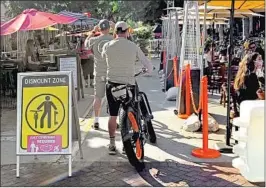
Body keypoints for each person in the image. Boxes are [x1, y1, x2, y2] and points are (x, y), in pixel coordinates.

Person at [102, 21, 153, 155]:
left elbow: (103, 57)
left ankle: (112, 144)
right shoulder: (133, 46)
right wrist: (147, 71)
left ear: (115, 32)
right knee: (132, 111)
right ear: (127, 32)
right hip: (128, 84)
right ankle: (128, 143)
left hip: (112, 84)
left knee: (113, 115)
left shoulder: (107, 46)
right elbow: (148, 65)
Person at [85, 19, 114, 129]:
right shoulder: (113, 39)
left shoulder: (94, 40)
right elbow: (124, 38)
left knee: (97, 97)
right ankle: (113, 121)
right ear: (108, 28)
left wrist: (93, 31)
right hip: (111, 72)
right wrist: (115, 26)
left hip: (99, 72)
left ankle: (96, 121)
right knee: (113, 98)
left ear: (99, 29)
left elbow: (86, 44)